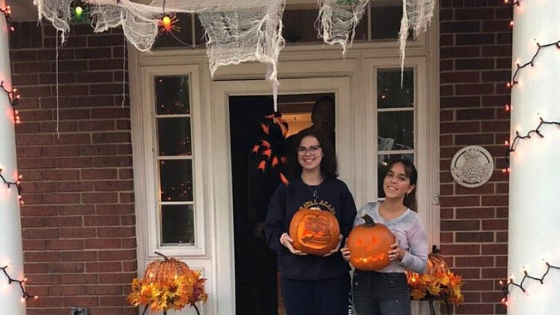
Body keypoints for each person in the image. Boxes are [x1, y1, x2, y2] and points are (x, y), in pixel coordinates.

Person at [265, 128, 357, 315]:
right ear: (296, 154)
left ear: (323, 152)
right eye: (302, 149)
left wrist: (341, 240)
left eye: (314, 148)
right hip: (296, 276)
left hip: (332, 275)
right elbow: (272, 230)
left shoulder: (338, 189)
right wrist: (284, 240)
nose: (308, 154)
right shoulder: (285, 191)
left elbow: (352, 227)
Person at [341, 158, 428, 315]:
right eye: (390, 175)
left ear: (410, 188)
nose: (393, 181)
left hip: (392, 285)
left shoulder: (412, 220)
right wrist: (347, 254)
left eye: (401, 178)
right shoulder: (365, 211)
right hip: (362, 282)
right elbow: (355, 246)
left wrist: (402, 254)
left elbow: (422, 266)